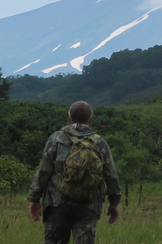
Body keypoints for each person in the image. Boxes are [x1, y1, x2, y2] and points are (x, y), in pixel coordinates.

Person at [28, 101, 121, 244]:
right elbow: (111, 175)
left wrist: (34, 198)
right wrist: (114, 203)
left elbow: (43, 170)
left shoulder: (56, 139)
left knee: (54, 241)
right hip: (88, 205)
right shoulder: (100, 143)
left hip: (57, 202)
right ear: (91, 120)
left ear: (69, 118)